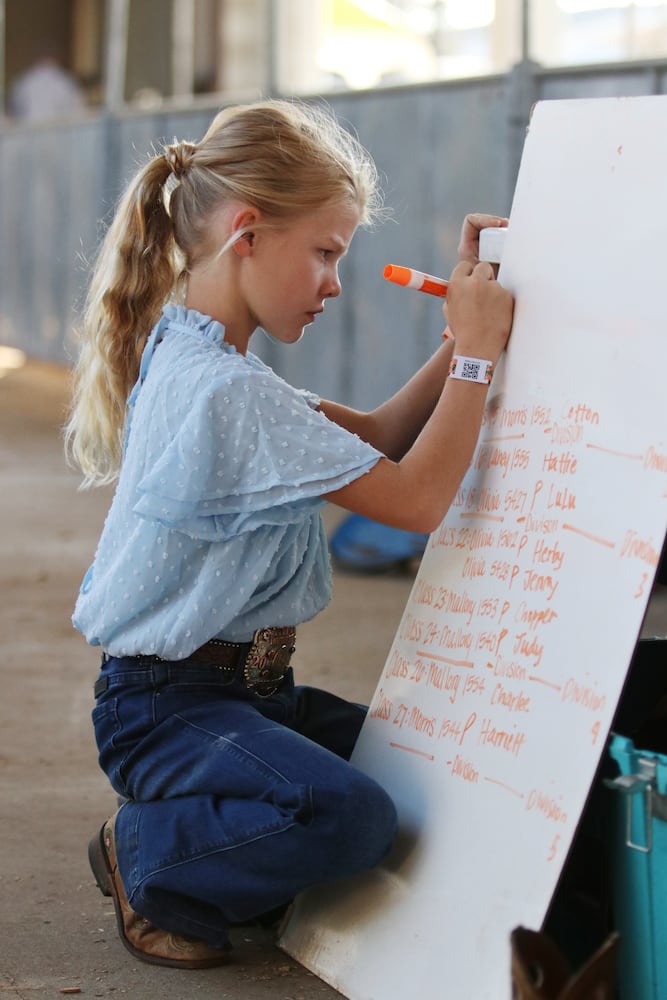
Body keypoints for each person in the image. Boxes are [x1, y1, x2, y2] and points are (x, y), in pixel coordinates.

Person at [65, 98, 513, 969]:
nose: (334, 282)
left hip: (246, 698)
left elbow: (381, 438)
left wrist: (467, 325)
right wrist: (475, 359)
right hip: (169, 711)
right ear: (247, 232)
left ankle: (202, 843)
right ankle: (150, 856)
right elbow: (417, 500)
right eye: (325, 252)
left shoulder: (208, 361)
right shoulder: (227, 392)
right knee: (352, 814)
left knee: (435, 762)